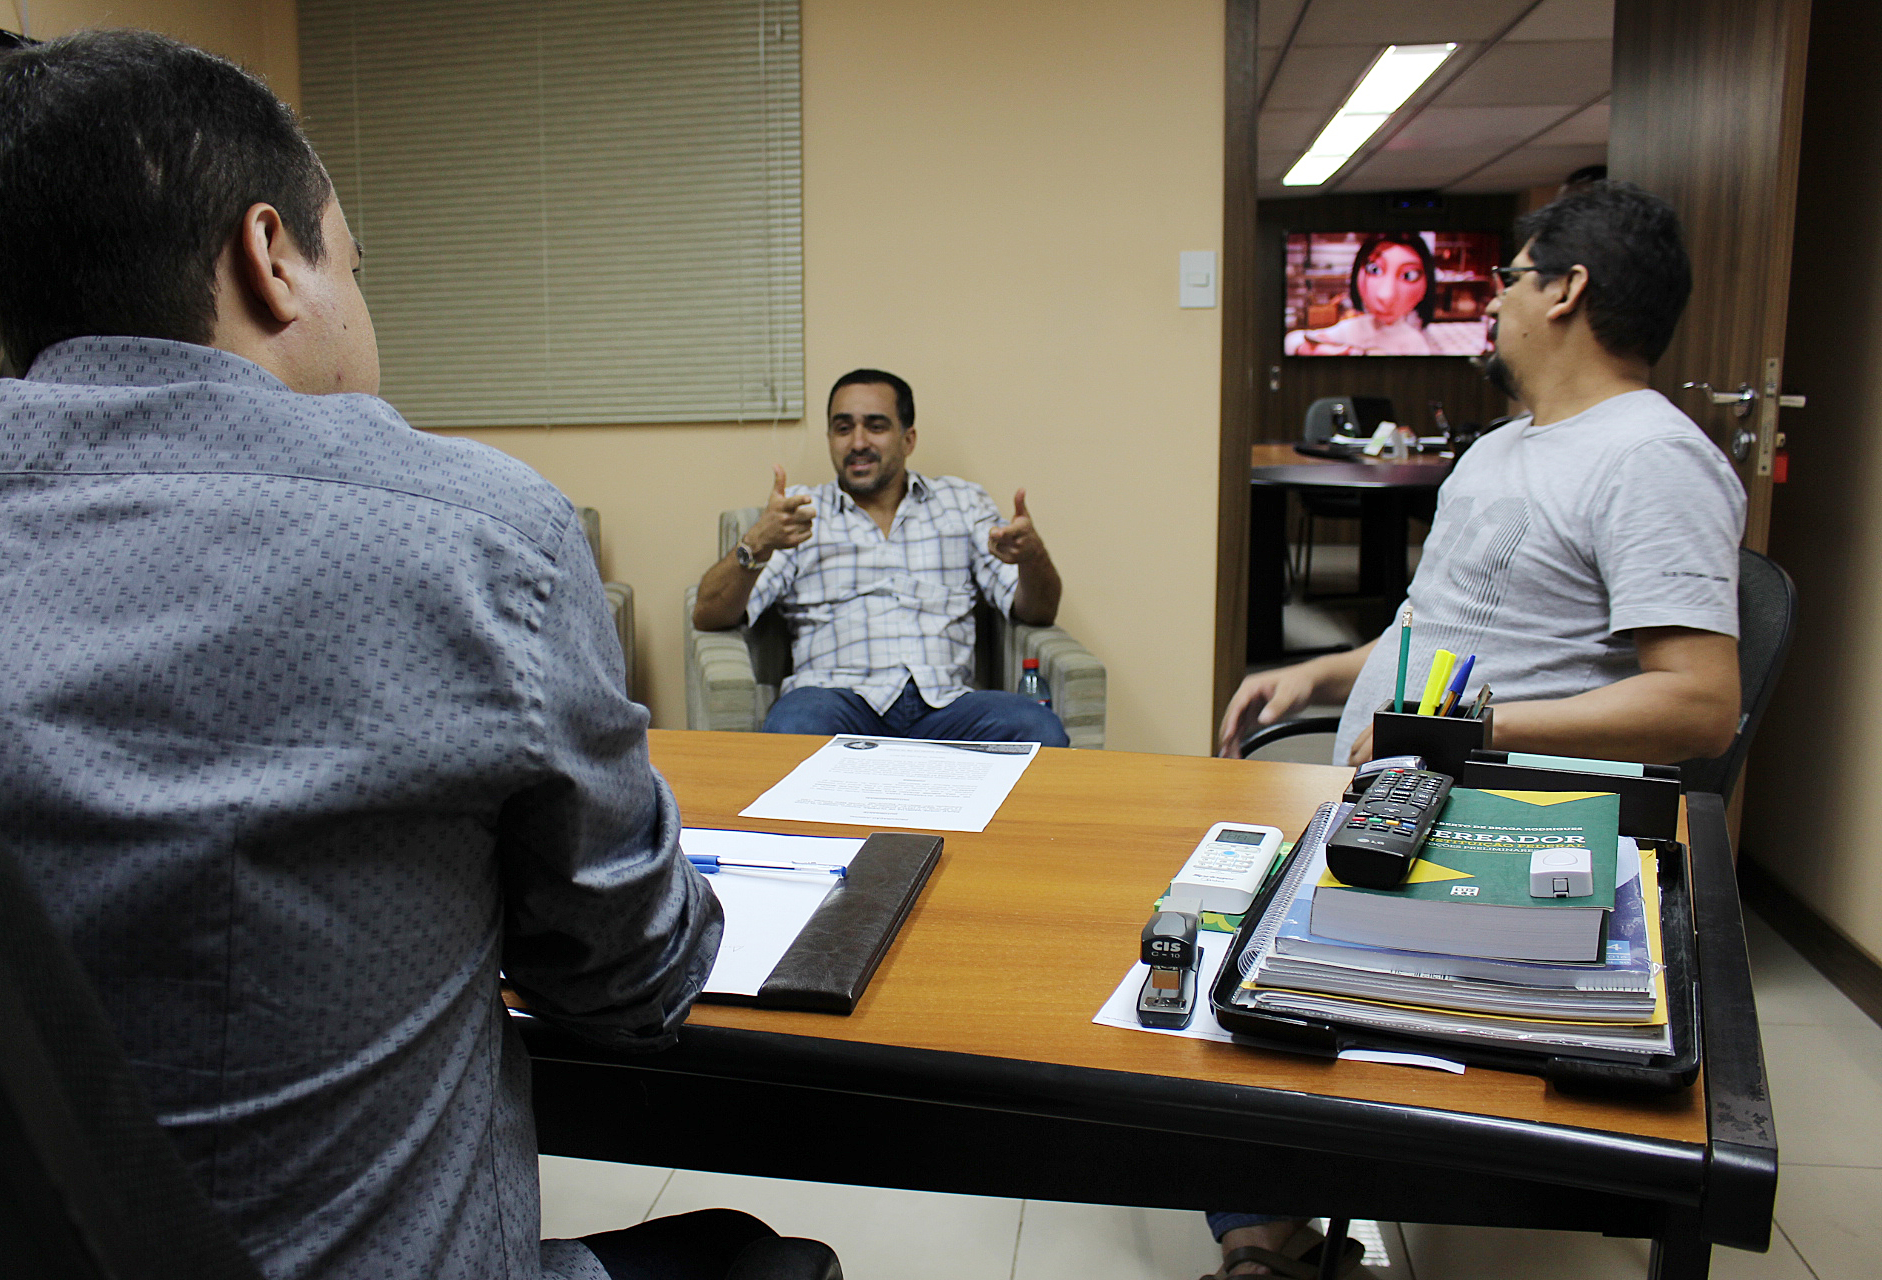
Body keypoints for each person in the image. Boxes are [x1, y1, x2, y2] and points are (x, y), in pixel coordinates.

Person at [0, 31, 838, 1280]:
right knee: (758, 1257)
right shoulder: (475, 534)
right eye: (357, 267)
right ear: (272, 257)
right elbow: (632, 972)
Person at [1202, 180, 1742, 1279]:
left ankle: (1267, 1236)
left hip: (1490, 825)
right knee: (1197, 935)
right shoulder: (1502, 449)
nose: (1488, 301)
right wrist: (1317, 674)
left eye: (1507, 277)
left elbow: (1699, 701)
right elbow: (1432, 628)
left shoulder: (1649, 458)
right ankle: (1271, 1223)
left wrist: (1463, 727)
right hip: (1389, 798)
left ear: (1566, 290)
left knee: (1231, 977)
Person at [692, 368, 1069, 746]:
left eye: (875, 426)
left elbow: (1037, 612)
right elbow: (709, 614)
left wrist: (1031, 557)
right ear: (830, 438)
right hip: (835, 700)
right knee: (792, 727)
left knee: (1038, 728)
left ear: (908, 439)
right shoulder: (799, 513)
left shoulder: (962, 503)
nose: (858, 442)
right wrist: (757, 543)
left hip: (947, 705)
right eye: (843, 428)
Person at [1285, 231, 1436, 356]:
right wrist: (1309, 349)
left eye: (1408, 275)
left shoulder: (1414, 341)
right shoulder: (1352, 329)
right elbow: (1291, 340)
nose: (1386, 295)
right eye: (1374, 270)